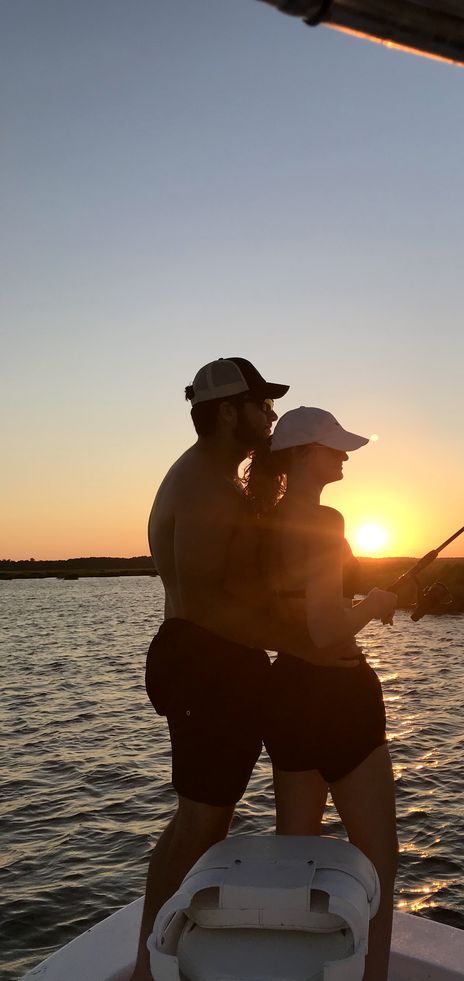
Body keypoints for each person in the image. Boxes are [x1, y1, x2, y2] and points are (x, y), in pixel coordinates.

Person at [131, 361, 360, 981]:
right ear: (229, 412)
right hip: (205, 665)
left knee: (200, 815)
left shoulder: (213, 478)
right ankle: (147, 967)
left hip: (215, 664)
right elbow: (208, 607)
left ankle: (148, 957)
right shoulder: (204, 484)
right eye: (262, 406)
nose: (271, 417)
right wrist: (304, 646)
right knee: (202, 818)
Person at [249, 406, 399, 981]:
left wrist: (345, 608)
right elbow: (322, 630)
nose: (342, 456)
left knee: (297, 865)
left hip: (285, 696)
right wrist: (374, 606)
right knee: (377, 864)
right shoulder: (325, 521)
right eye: (334, 448)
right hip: (339, 700)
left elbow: (290, 617)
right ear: (307, 455)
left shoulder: (259, 521)